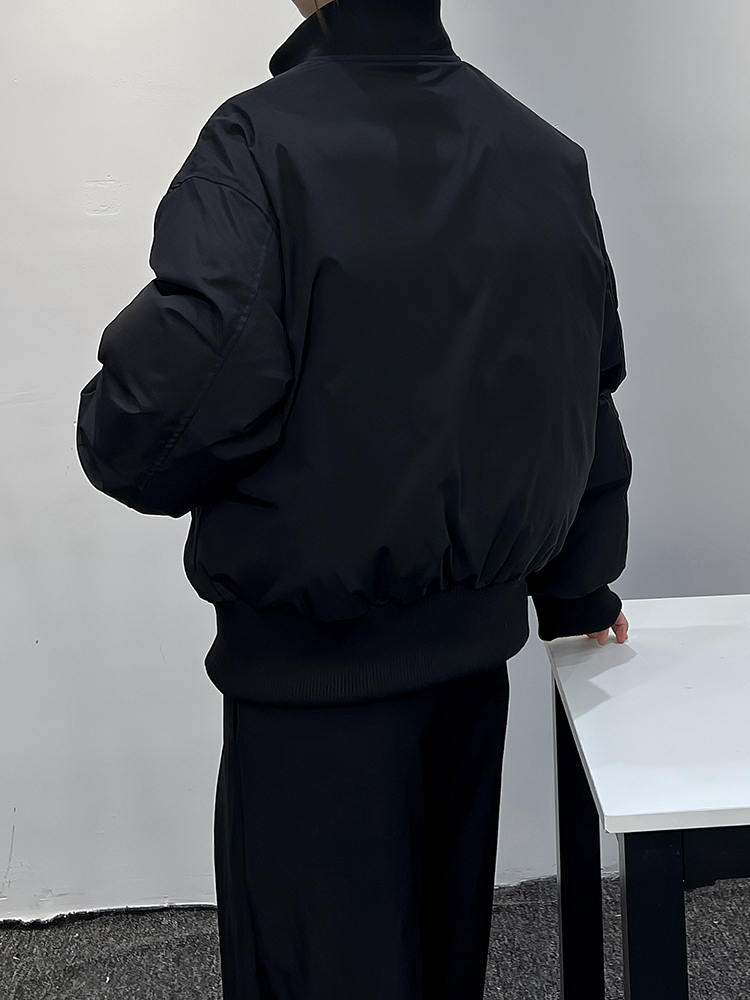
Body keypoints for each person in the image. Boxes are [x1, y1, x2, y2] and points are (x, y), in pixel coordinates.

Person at [76, 0, 632, 995]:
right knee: (443, 957)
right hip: (473, 665)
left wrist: (107, 425)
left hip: (312, 680)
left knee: (317, 969)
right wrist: (578, 588)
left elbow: (172, 398)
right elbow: (580, 385)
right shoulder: (544, 155)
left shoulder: (261, 144)